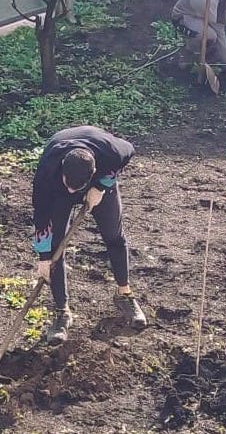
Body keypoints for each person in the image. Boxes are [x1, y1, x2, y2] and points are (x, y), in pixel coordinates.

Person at [31, 126, 146, 344]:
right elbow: (41, 215)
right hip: (57, 193)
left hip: (98, 185)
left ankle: (125, 295)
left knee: (114, 236)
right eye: (70, 185)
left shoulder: (110, 151)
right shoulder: (47, 173)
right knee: (56, 247)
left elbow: (127, 154)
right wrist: (44, 257)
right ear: (63, 170)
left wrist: (101, 186)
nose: (73, 191)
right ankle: (62, 312)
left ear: (92, 172)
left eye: (78, 187)